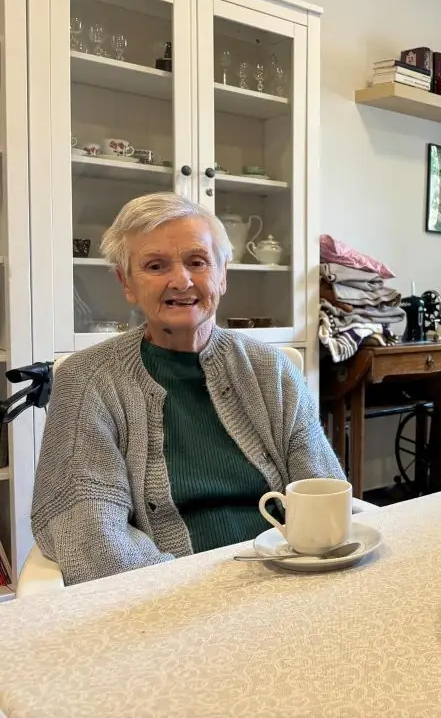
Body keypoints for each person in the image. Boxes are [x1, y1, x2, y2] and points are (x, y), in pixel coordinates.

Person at [31, 193, 345, 585]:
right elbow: (89, 529)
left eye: (197, 262)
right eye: (155, 265)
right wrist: (184, 592)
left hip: (291, 575)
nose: (181, 281)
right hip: (167, 592)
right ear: (126, 282)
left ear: (223, 274)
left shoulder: (272, 371)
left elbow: (323, 492)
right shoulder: (88, 381)